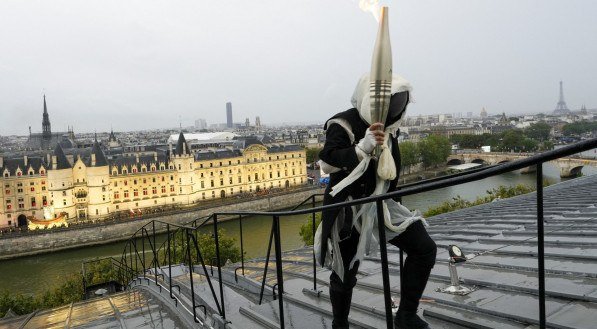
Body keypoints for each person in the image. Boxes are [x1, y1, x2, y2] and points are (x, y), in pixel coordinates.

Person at [316, 74, 437, 329]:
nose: (395, 110)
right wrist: (362, 147)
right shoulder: (343, 123)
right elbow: (326, 162)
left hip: (381, 203)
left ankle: (406, 315)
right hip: (347, 209)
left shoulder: (390, 129)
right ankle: (340, 324)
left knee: (424, 248)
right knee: (344, 272)